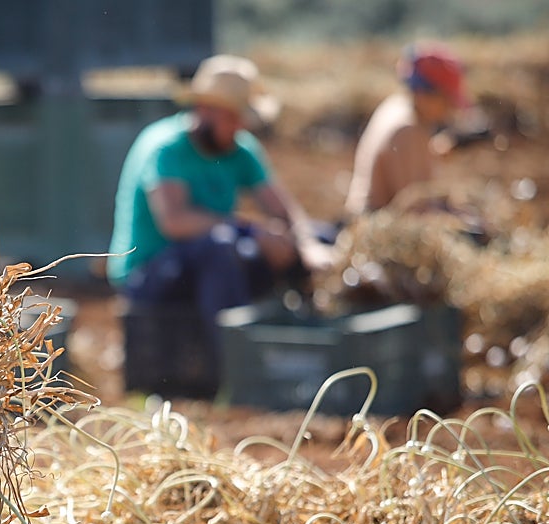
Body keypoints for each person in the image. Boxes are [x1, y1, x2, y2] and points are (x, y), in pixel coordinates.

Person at [107, 54, 330, 377]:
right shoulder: (165, 149)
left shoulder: (240, 148)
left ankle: (307, 345)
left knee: (316, 235)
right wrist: (252, 232)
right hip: (149, 274)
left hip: (212, 258)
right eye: (233, 118)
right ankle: (234, 370)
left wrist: (307, 245)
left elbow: (282, 209)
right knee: (221, 246)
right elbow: (175, 221)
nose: (240, 128)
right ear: (205, 110)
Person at [344, 42, 470, 218]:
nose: (450, 109)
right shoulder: (408, 130)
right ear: (426, 94)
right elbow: (416, 206)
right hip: (374, 228)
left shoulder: (396, 105)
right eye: (447, 100)